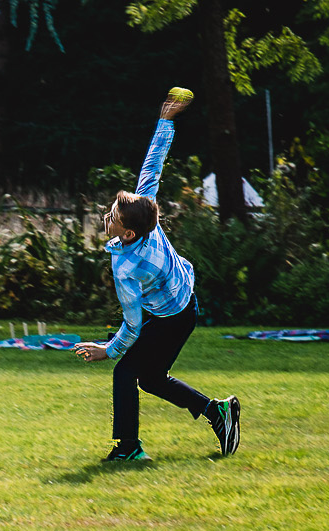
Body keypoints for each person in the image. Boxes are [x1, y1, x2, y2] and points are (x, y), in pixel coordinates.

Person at [72, 96, 242, 461]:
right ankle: (217, 412)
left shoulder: (127, 269)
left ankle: (129, 449)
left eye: (113, 216)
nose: (108, 216)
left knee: (125, 372)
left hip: (171, 319)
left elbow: (133, 326)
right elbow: (153, 166)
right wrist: (166, 120)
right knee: (148, 378)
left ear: (128, 232)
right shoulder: (144, 212)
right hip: (178, 306)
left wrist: (107, 350)